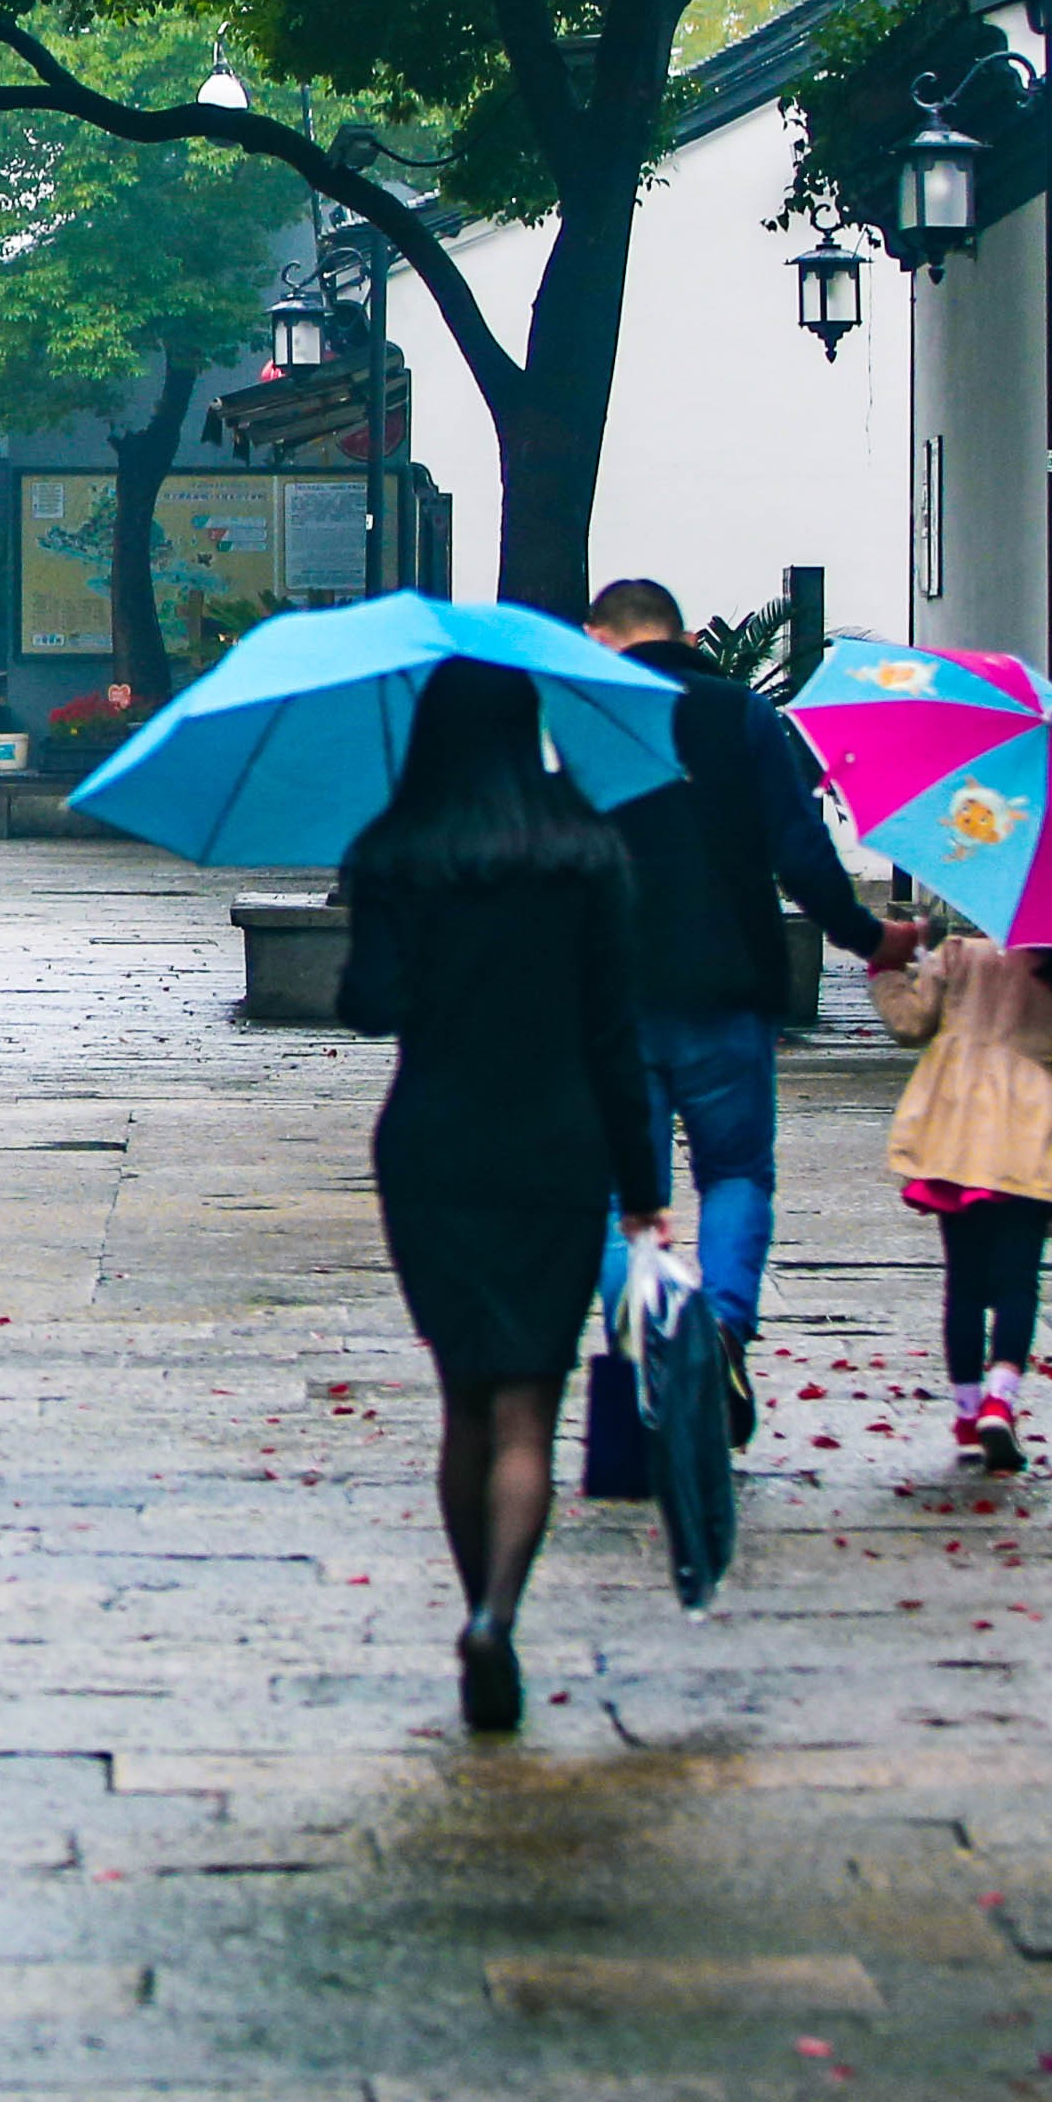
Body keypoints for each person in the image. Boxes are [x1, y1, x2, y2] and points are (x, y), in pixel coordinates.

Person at [335, 661, 669, 1739]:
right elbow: (616, 1036)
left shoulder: (395, 851)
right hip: (556, 1143)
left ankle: (470, 1604)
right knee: (530, 1402)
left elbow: (367, 1009)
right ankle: (497, 1615)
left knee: (462, 1397)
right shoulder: (583, 851)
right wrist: (642, 1189)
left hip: (433, 1143)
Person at [580, 579, 919, 1389]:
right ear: (690, 638)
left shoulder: (576, 720)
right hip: (726, 983)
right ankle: (724, 1326)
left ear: (597, 638)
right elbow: (801, 849)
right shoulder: (742, 715)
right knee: (733, 1173)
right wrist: (870, 937)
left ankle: (661, 1343)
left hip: (604, 997)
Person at [873, 928, 1052, 1472]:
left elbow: (911, 1023)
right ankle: (1002, 1398)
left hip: (956, 1132)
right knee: (1020, 1279)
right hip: (1027, 1141)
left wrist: (885, 973)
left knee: (965, 1282)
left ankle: (968, 1415)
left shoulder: (961, 956)